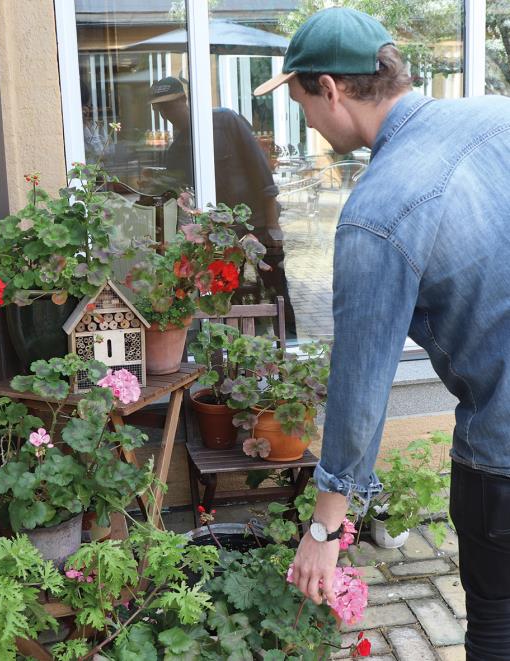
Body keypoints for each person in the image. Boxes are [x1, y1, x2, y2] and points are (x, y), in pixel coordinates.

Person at [254, 7, 510, 659]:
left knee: (498, 630)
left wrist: (323, 529)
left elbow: (360, 386)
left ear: (332, 91)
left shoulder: (377, 212)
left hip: (503, 457)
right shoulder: (497, 116)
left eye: (302, 101)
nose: (307, 123)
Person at [149, 76, 296, 333]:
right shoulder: (177, 150)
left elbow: (261, 171)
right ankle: (240, 348)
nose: (167, 113)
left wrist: (273, 226)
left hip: (259, 223)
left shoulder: (225, 122)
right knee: (228, 295)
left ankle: (289, 342)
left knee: (277, 291)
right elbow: (177, 198)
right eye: (162, 108)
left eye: (171, 104)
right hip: (219, 236)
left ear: (184, 99)